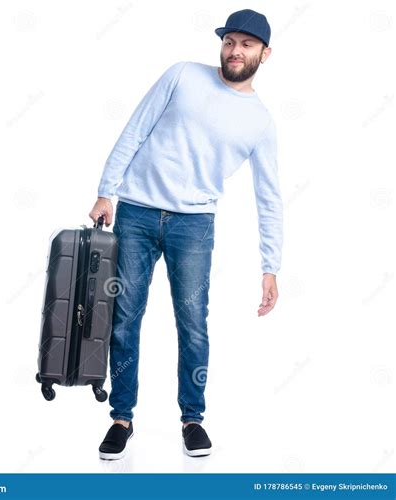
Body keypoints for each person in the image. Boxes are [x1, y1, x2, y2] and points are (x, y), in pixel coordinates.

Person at [89, 9, 283, 460]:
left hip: (193, 225)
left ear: (265, 53)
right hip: (135, 213)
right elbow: (134, 130)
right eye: (230, 41)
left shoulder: (260, 123)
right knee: (123, 319)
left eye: (247, 44)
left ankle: (192, 419)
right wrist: (106, 192)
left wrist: (270, 266)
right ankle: (122, 417)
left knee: (193, 324)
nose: (236, 50)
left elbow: (269, 197)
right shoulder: (182, 75)